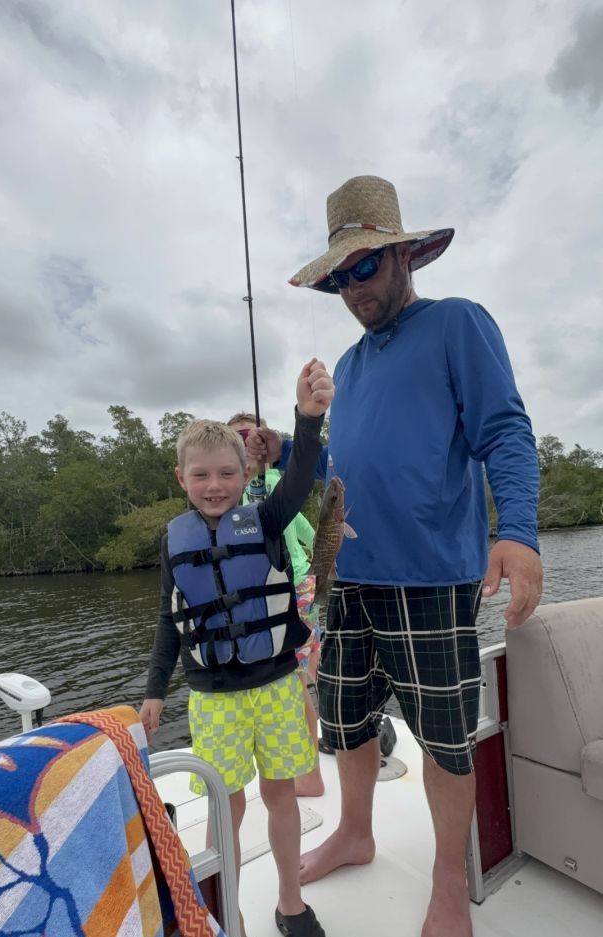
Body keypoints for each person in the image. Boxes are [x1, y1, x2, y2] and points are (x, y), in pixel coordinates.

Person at [246, 175, 543, 937]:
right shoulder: (346, 367)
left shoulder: (456, 324)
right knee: (344, 722)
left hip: (432, 581)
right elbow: (347, 457)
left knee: (443, 738)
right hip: (349, 579)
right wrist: (281, 445)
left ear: (404, 254)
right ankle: (355, 830)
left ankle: (447, 879)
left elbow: (504, 431)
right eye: (339, 276)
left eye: (364, 266)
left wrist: (517, 530)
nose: (351, 287)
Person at [139, 358, 333, 937]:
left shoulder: (268, 519)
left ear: (245, 470)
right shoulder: (174, 542)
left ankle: (290, 902)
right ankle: (228, 909)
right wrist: (154, 694)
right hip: (214, 698)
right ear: (181, 478)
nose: (215, 486)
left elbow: (301, 474)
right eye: (201, 476)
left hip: (274, 685)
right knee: (227, 805)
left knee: (281, 796)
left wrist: (306, 418)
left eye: (227, 473)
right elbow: (170, 623)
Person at [227, 412, 325, 797]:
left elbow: (310, 532)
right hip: (267, 594)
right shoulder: (231, 486)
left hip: (294, 587)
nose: (246, 443)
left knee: (296, 684)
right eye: (237, 438)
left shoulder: (272, 482)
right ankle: (304, 766)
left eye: (252, 435)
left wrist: (315, 572)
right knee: (292, 682)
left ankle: (312, 776)